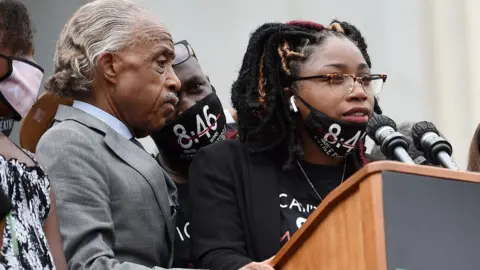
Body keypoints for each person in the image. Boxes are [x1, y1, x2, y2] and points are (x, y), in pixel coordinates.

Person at [189, 20, 387, 269]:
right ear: (288, 92)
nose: (359, 91)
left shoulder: (381, 176)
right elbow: (217, 255)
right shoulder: (226, 164)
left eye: (365, 78)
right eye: (335, 78)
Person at [35, 0, 185, 269]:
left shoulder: (119, 141)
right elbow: (87, 264)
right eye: (161, 62)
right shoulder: (68, 142)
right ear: (110, 67)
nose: (175, 80)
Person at [150, 40, 237, 268]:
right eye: (173, 96)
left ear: (210, 84)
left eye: (197, 87)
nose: (188, 106)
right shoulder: (145, 190)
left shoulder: (258, 155)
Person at [0, 1, 67, 269]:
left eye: (29, 54)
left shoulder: (35, 169)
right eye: (16, 52)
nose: (31, 66)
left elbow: (57, 259)